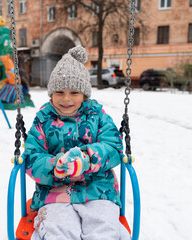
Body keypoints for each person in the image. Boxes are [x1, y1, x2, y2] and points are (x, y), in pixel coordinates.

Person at [23, 45, 130, 240]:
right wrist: (55, 167)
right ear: (51, 93)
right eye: (59, 92)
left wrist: (87, 159)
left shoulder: (97, 116)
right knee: (57, 230)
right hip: (54, 192)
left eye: (74, 92)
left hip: (98, 189)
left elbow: (113, 146)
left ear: (84, 94)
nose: (66, 99)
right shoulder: (43, 119)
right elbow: (31, 158)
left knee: (104, 229)